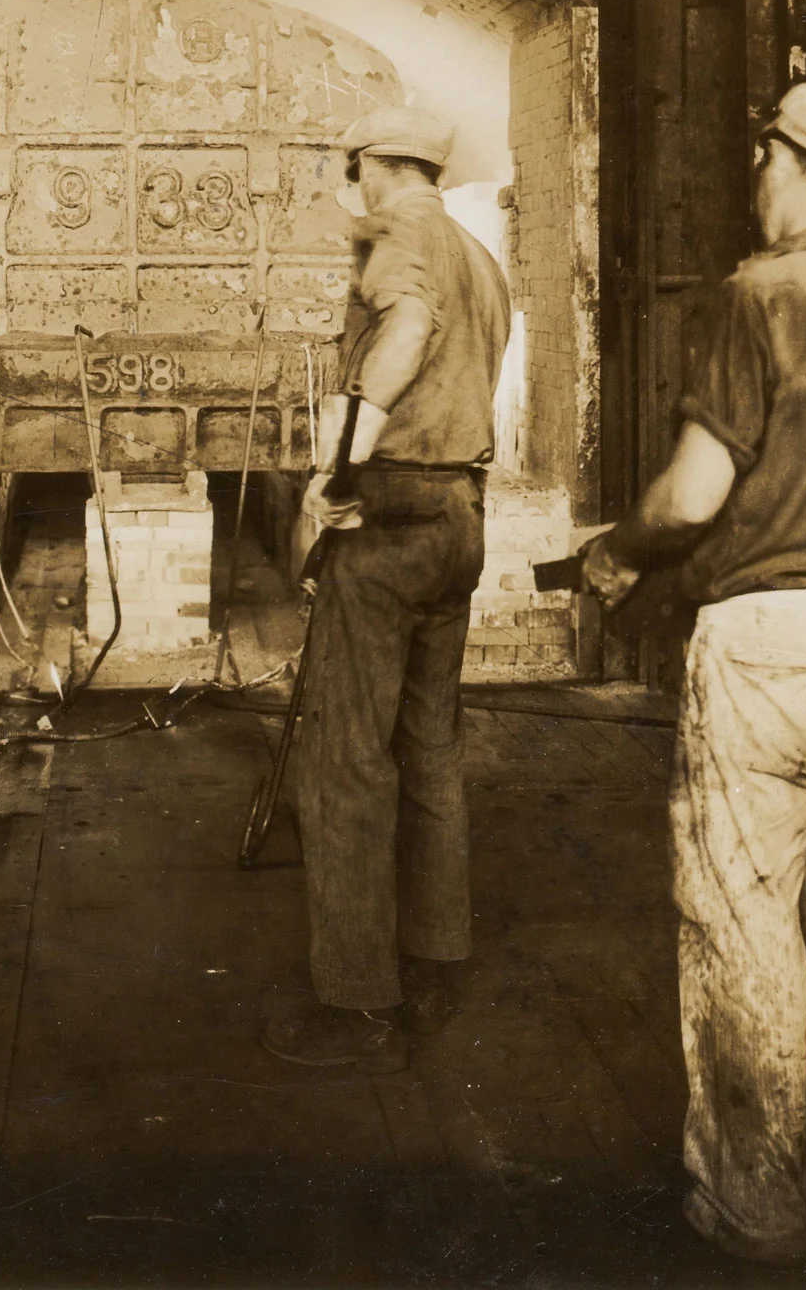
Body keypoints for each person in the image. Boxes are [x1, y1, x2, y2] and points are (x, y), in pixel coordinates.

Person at [583, 80, 806, 1266]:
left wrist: (614, 549)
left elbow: (692, 494)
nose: (751, 175)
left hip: (768, 647)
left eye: (759, 155)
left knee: (744, 927)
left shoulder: (758, 294)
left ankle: (757, 1210)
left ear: (795, 161)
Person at [261, 105, 511, 1075]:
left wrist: (333, 469)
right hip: (459, 515)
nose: (352, 184)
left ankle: (356, 994)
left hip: (391, 513)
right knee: (431, 745)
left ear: (375, 162)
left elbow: (405, 326)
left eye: (352, 166)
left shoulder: (402, 229)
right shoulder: (475, 252)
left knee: (346, 759)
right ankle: (438, 957)